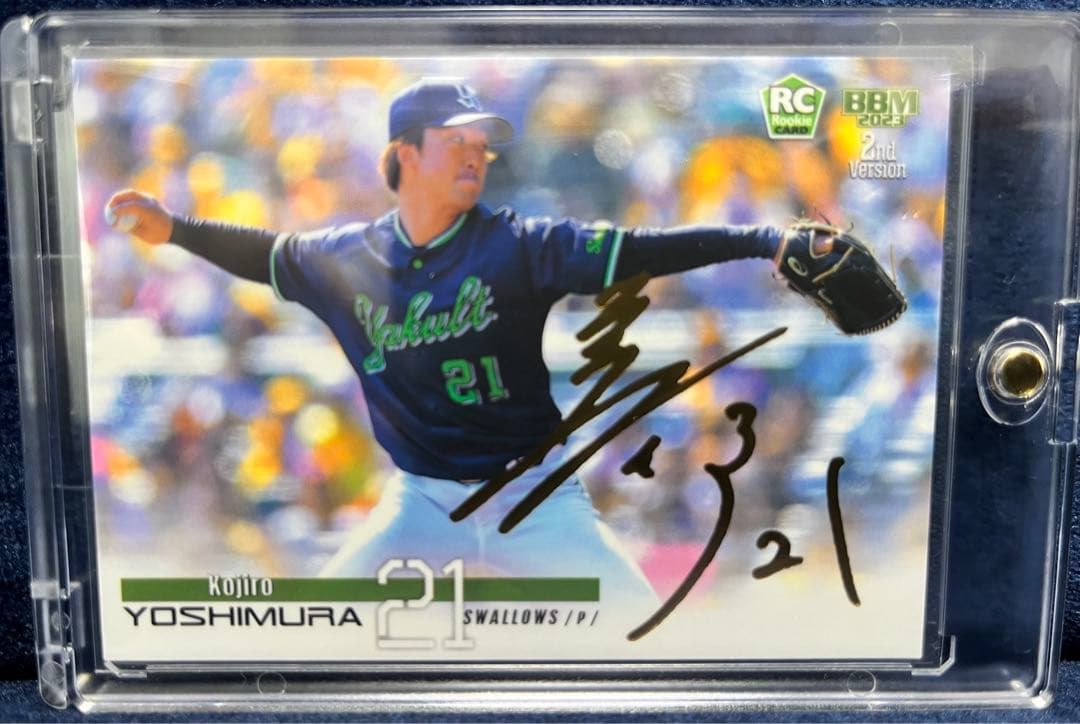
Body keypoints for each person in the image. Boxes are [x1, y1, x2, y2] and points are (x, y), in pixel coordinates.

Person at [105, 78, 795, 614]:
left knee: (645, 632)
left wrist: (763, 239)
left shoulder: (520, 244)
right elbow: (264, 253)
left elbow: (643, 248)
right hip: (421, 503)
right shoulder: (348, 259)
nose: (476, 154)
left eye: (481, 143)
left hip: (536, 497)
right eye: (455, 139)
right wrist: (175, 230)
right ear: (404, 154)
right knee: (321, 627)